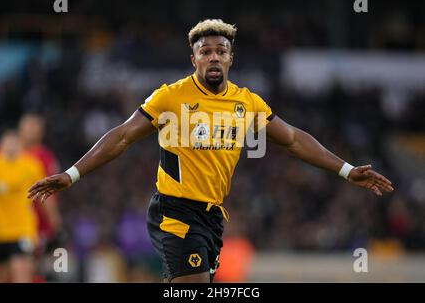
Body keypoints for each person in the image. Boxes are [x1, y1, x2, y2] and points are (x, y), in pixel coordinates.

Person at [28, 19, 394, 283]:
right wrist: (72, 174)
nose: (214, 57)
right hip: (175, 212)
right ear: (194, 59)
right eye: (206, 51)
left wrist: (346, 170)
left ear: (231, 58)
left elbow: (294, 140)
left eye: (221, 51)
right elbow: (123, 136)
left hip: (212, 217)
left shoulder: (246, 102)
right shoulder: (170, 96)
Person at [18, 113, 63, 281]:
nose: (30, 131)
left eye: (34, 127)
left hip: (38, 225)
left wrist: (55, 223)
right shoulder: (8, 155)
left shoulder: (44, 158)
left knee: (34, 269)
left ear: (41, 132)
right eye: (27, 127)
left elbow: (49, 194)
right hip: (11, 224)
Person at [0, 130, 45, 282]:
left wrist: (52, 225)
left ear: (20, 145)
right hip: (1, 232)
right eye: (8, 142)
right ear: (2, 145)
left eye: (14, 142)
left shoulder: (31, 166)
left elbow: (44, 197)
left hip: (22, 231)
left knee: (21, 273)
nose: (11, 146)